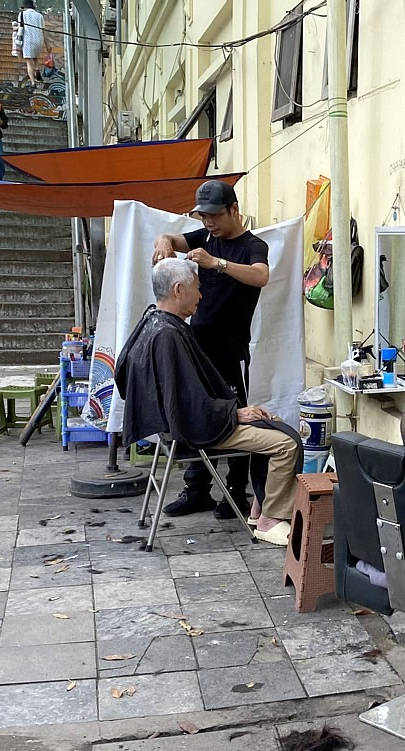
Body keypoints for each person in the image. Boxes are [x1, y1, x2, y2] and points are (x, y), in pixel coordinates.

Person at [114, 258, 299, 543]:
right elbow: (190, 406)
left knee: (271, 423)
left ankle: (260, 507)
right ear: (179, 289)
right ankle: (270, 520)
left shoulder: (152, 321)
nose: (201, 295)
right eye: (197, 288)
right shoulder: (167, 335)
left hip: (178, 426)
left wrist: (236, 410)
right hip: (194, 429)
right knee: (286, 443)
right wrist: (235, 414)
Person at [151, 180, 271, 521]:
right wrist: (164, 241)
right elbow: (174, 239)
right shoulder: (204, 235)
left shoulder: (252, 246)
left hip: (230, 350)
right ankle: (196, 488)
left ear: (234, 209)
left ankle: (235, 491)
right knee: (195, 412)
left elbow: (261, 276)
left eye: (215, 216)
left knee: (236, 416)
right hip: (196, 346)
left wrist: (216, 263)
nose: (209, 224)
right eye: (203, 217)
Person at [18, 0, 46, 87]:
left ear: (24, 7)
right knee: (35, 57)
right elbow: (44, 30)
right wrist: (48, 45)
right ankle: (37, 70)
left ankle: (33, 82)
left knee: (29, 62)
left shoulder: (22, 14)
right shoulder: (39, 16)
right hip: (39, 40)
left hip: (28, 40)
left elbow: (20, 27)